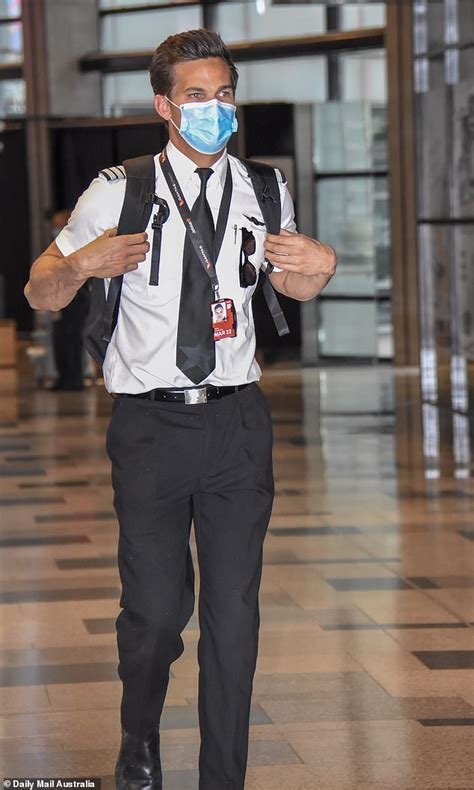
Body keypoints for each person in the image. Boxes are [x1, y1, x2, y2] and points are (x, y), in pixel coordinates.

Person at [24, 29, 336, 790]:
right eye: (196, 96)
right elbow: (40, 287)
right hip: (151, 426)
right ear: (165, 104)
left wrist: (321, 269)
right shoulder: (119, 187)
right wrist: (77, 264)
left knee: (235, 618)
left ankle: (221, 776)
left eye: (224, 94)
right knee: (158, 615)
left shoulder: (264, 188)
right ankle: (139, 738)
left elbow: (288, 283)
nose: (213, 109)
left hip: (237, 423)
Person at [48, 210, 90, 391]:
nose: (54, 229)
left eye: (57, 225)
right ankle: (66, 377)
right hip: (65, 300)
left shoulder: (75, 245)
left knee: (72, 339)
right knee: (62, 339)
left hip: (76, 300)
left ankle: (74, 378)